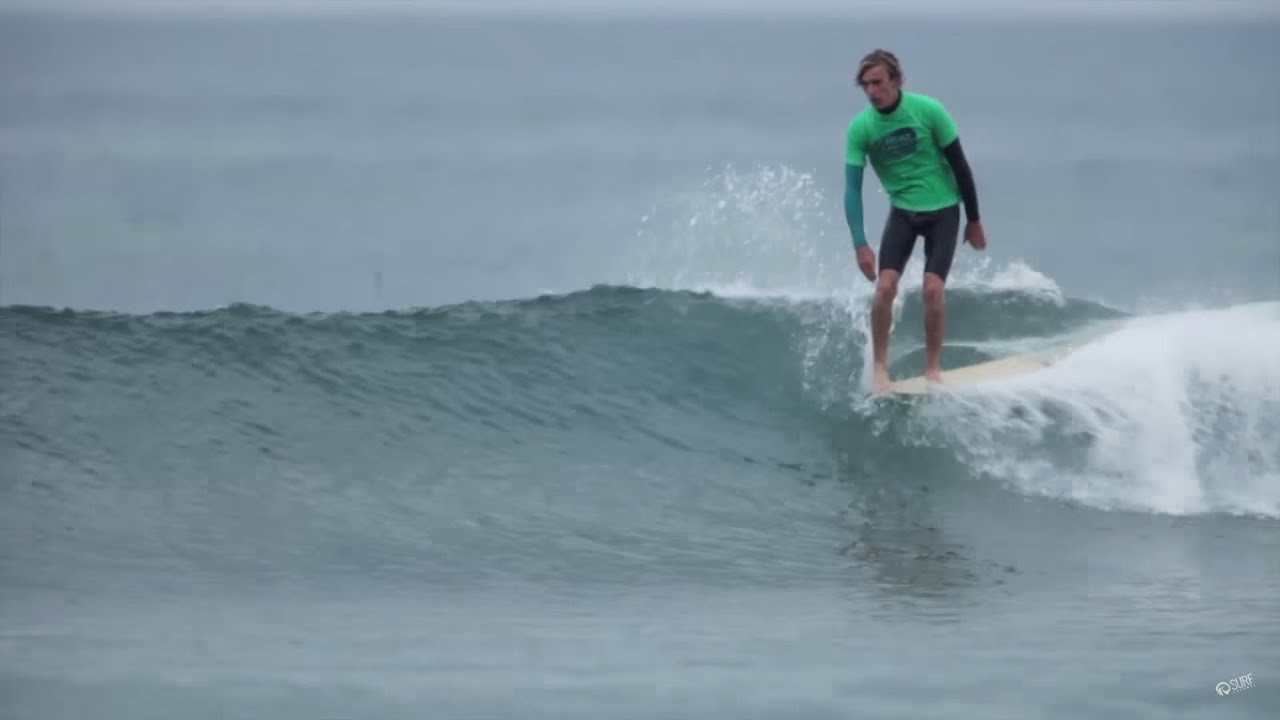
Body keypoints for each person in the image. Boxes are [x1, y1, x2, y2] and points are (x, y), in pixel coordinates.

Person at [843, 49, 986, 395]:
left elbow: (961, 166)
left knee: (933, 289)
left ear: (895, 80)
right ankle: (880, 369)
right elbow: (851, 188)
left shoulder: (929, 111)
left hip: (944, 210)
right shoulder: (861, 128)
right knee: (885, 288)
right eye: (865, 85)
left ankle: (933, 367)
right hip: (904, 212)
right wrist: (860, 243)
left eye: (877, 83)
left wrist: (974, 219)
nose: (872, 91)